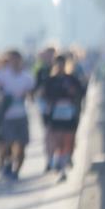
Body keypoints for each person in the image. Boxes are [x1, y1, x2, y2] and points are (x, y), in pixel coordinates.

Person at [0, 50, 35, 181]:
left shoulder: (27, 78)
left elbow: (31, 98)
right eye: (12, 60)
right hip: (7, 116)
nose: (15, 62)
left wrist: (27, 95)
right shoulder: (1, 76)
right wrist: (4, 98)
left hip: (21, 115)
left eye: (17, 59)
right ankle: (7, 164)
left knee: (22, 145)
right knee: (7, 143)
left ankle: (16, 170)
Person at [43, 54, 85, 182]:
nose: (60, 67)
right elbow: (45, 95)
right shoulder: (51, 80)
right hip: (56, 114)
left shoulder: (72, 79)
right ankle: (57, 163)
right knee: (57, 140)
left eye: (62, 64)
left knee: (67, 140)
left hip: (69, 114)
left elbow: (81, 93)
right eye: (58, 64)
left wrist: (73, 93)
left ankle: (63, 167)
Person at [33, 46, 56, 171]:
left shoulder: (60, 68)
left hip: (58, 106)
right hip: (45, 105)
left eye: (51, 55)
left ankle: (60, 157)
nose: (49, 57)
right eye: (47, 55)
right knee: (48, 132)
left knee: (57, 133)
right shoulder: (41, 71)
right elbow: (36, 88)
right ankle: (50, 159)